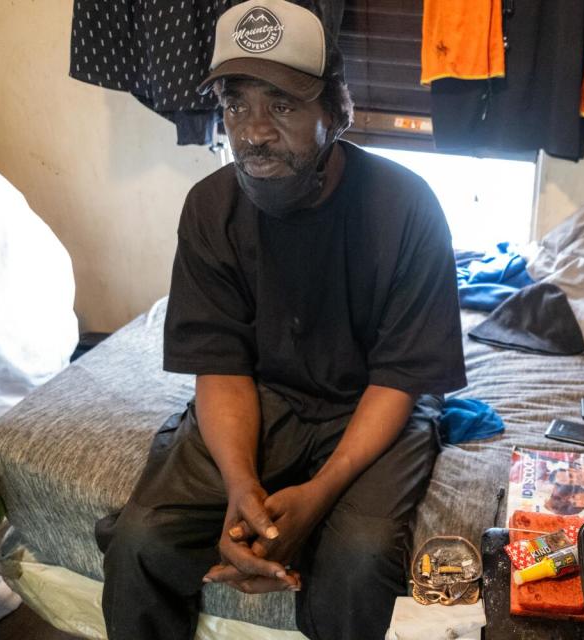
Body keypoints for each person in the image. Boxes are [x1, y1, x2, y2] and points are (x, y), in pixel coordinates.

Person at [94, 1, 466, 639]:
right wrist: (242, 488)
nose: (253, 131)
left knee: (357, 560)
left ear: (335, 113)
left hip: (371, 405)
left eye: (283, 105)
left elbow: (401, 379)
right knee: (140, 540)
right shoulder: (210, 208)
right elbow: (220, 365)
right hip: (262, 398)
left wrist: (318, 495)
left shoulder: (406, 208)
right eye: (237, 104)